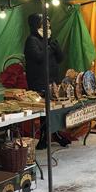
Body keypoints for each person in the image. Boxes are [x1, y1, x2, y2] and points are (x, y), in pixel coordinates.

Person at [24, 13, 66, 149]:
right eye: (44, 25)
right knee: (45, 111)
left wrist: (56, 48)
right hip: (39, 82)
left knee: (54, 109)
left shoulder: (49, 40)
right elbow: (38, 57)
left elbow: (60, 59)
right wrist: (50, 48)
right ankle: (43, 137)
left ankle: (55, 134)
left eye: (48, 25)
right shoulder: (31, 41)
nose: (47, 28)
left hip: (53, 80)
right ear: (36, 26)